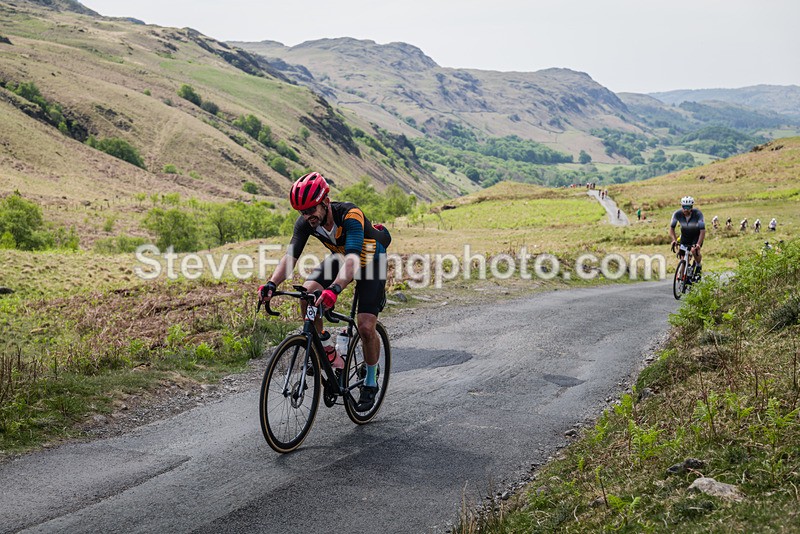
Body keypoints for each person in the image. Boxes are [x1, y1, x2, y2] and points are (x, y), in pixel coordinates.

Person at [258, 172, 391, 411]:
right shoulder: (306, 222)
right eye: (302, 211)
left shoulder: (350, 215)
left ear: (325, 202)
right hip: (342, 257)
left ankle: (370, 379)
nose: (307, 216)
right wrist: (271, 284)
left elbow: (352, 261)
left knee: (365, 327)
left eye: (311, 210)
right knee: (307, 294)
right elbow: (290, 258)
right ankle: (327, 350)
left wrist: (334, 290)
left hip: (371, 260)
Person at [669, 196, 705, 279]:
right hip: (685, 236)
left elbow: (702, 231)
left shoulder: (698, 214)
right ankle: (683, 276)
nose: (685, 209)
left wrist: (698, 244)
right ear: (681, 206)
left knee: (693, 250)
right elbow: (671, 229)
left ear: (691, 207)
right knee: (682, 255)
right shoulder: (677, 214)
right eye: (684, 207)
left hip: (696, 236)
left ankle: (698, 265)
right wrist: (674, 240)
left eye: (688, 207)